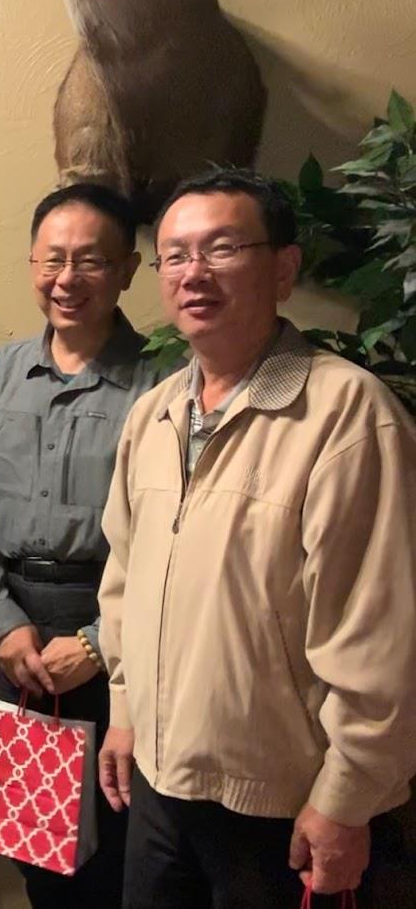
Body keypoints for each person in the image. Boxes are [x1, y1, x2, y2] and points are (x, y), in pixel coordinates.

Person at [97, 167, 416, 908]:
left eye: (221, 248)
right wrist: (124, 713)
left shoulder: (345, 415)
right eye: (174, 255)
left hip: (280, 803)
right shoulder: (153, 413)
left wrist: (346, 795)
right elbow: (122, 579)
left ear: (282, 268)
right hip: (156, 780)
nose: (192, 273)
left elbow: (380, 634)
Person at [0, 183, 177, 907]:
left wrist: (99, 640)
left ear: (127, 270)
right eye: (52, 260)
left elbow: (172, 542)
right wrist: (0, 621)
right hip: (14, 625)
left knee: (121, 834)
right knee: (34, 839)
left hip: (118, 632)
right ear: (30, 265)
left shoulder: (162, 381)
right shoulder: (0, 372)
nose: (66, 280)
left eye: (89, 261)